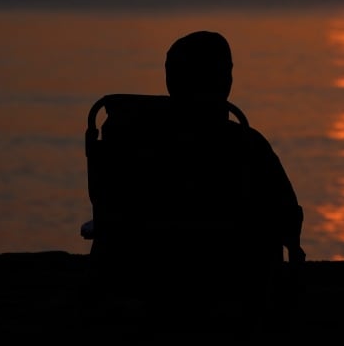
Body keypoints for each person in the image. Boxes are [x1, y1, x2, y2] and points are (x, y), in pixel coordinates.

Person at [88, 30, 305, 334]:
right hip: (229, 288)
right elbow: (288, 217)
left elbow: (106, 205)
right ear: (224, 81)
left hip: (144, 283)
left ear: (171, 79)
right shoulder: (246, 144)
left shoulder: (129, 137)